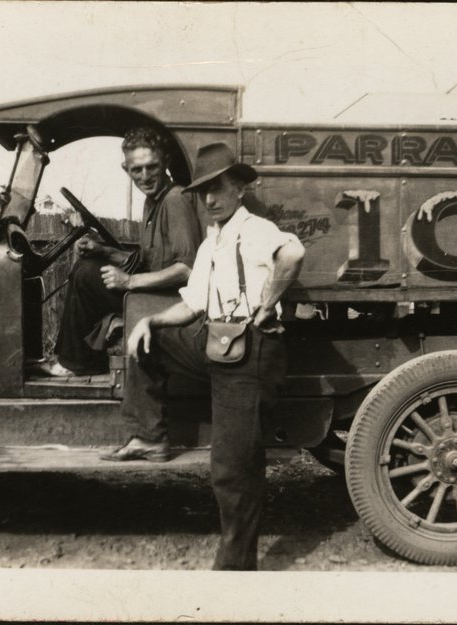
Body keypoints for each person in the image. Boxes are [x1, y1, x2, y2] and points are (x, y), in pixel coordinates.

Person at [102, 142, 305, 571]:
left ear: (239, 189)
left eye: (218, 188)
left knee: (231, 469)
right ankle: (150, 436)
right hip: (216, 341)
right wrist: (153, 324)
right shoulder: (213, 240)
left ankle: (234, 569)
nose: (210, 199)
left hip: (250, 352)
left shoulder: (254, 229)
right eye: (203, 191)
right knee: (148, 335)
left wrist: (268, 305)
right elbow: (193, 303)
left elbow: (293, 253)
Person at [41, 127, 203, 376]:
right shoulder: (152, 202)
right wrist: (103, 250)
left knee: (85, 275)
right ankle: (71, 357)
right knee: (88, 265)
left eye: (152, 166)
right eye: (137, 169)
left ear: (166, 163)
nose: (145, 176)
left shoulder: (175, 200)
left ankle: (77, 362)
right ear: (126, 169)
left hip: (169, 303)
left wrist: (129, 281)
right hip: (153, 294)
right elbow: (147, 260)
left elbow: (187, 269)